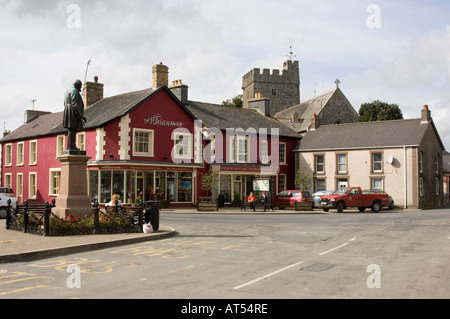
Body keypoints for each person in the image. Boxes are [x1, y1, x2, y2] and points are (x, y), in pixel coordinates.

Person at [63, 79, 86, 151]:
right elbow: (75, 105)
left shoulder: (67, 91)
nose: (81, 88)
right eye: (80, 86)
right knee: (72, 129)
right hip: (72, 112)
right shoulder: (74, 91)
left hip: (68, 110)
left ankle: (71, 145)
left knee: (71, 130)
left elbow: (64, 103)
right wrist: (80, 115)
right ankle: (71, 146)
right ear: (77, 85)